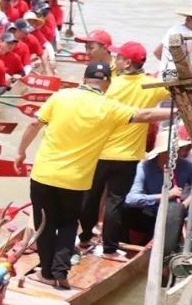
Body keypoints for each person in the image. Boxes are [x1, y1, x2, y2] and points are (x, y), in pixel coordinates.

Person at [13, 62, 174, 288]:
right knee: (69, 223)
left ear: (84, 78)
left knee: (45, 224)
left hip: (44, 175)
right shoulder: (109, 107)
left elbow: (33, 124)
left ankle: (47, 274)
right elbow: (146, 114)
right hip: (76, 180)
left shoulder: (61, 96)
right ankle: (60, 270)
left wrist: (20, 153)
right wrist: (178, 110)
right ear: (107, 83)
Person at [77, 42, 172, 254]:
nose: (115, 61)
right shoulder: (151, 85)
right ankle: (110, 248)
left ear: (127, 62)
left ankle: (84, 238)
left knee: (90, 197)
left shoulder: (111, 84)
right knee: (115, 201)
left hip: (99, 151)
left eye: (119, 58)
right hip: (127, 156)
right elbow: (176, 90)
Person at [125, 135, 192, 256]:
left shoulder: (186, 166)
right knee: (128, 211)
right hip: (149, 214)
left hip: (174, 216)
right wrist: (164, 196)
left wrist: (183, 206)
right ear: (162, 153)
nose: (179, 154)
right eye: (175, 151)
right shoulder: (145, 167)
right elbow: (131, 199)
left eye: (179, 150)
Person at [154, 3, 192, 74]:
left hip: (164, 74)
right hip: (179, 75)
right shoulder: (191, 34)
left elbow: (157, 52)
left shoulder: (174, 28)